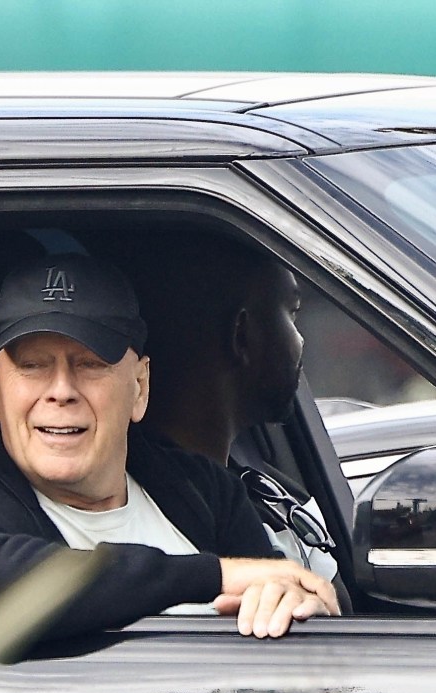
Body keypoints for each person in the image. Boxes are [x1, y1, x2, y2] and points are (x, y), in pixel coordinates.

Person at [0, 253, 340, 643]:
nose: (61, 391)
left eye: (90, 364)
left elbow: (276, 597)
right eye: (33, 365)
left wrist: (299, 609)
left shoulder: (205, 491)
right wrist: (215, 576)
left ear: (139, 386)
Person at [140, 232, 352, 610]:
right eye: (292, 313)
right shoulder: (154, 517)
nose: (301, 341)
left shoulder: (257, 483)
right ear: (242, 335)